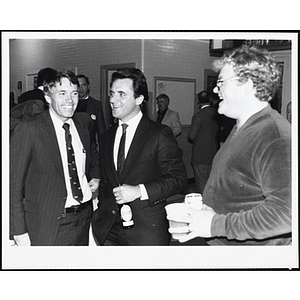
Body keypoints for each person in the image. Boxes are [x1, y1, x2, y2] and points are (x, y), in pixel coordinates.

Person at [168, 45, 291, 246]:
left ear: (248, 85)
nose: (216, 90)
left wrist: (215, 225)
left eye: (221, 82)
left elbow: (286, 214)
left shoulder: (276, 137)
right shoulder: (242, 127)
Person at [92, 68, 187, 246]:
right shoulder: (106, 137)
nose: (113, 100)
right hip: (109, 232)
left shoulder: (159, 134)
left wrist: (139, 191)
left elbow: (178, 179)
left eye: (121, 94)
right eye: (112, 94)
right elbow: (107, 181)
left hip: (146, 232)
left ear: (139, 99)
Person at [10, 69, 100, 246]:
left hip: (84, 218)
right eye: (62, 93)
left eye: (74, 93)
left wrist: (95, 175)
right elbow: (13, 186)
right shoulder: (29, 129)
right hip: (49, 224)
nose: (70, 100)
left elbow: (93, 152)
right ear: (48, 97)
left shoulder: (83, 124)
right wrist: (19, 231)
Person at [188, 90, 220, 194]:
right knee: (212, 184)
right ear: (210, 100)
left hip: (200, 156)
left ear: (198, 102)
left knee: (201, 185)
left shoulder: (198, 116)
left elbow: (191, 137)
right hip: (214, 153)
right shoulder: (217, 113)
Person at [75, 74, 106, 145]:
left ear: (88, 86)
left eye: (84, 85)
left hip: (90, 148)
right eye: (78, 86)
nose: (81, 88)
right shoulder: (69, 103)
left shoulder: (95, 104)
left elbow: (101, 130)